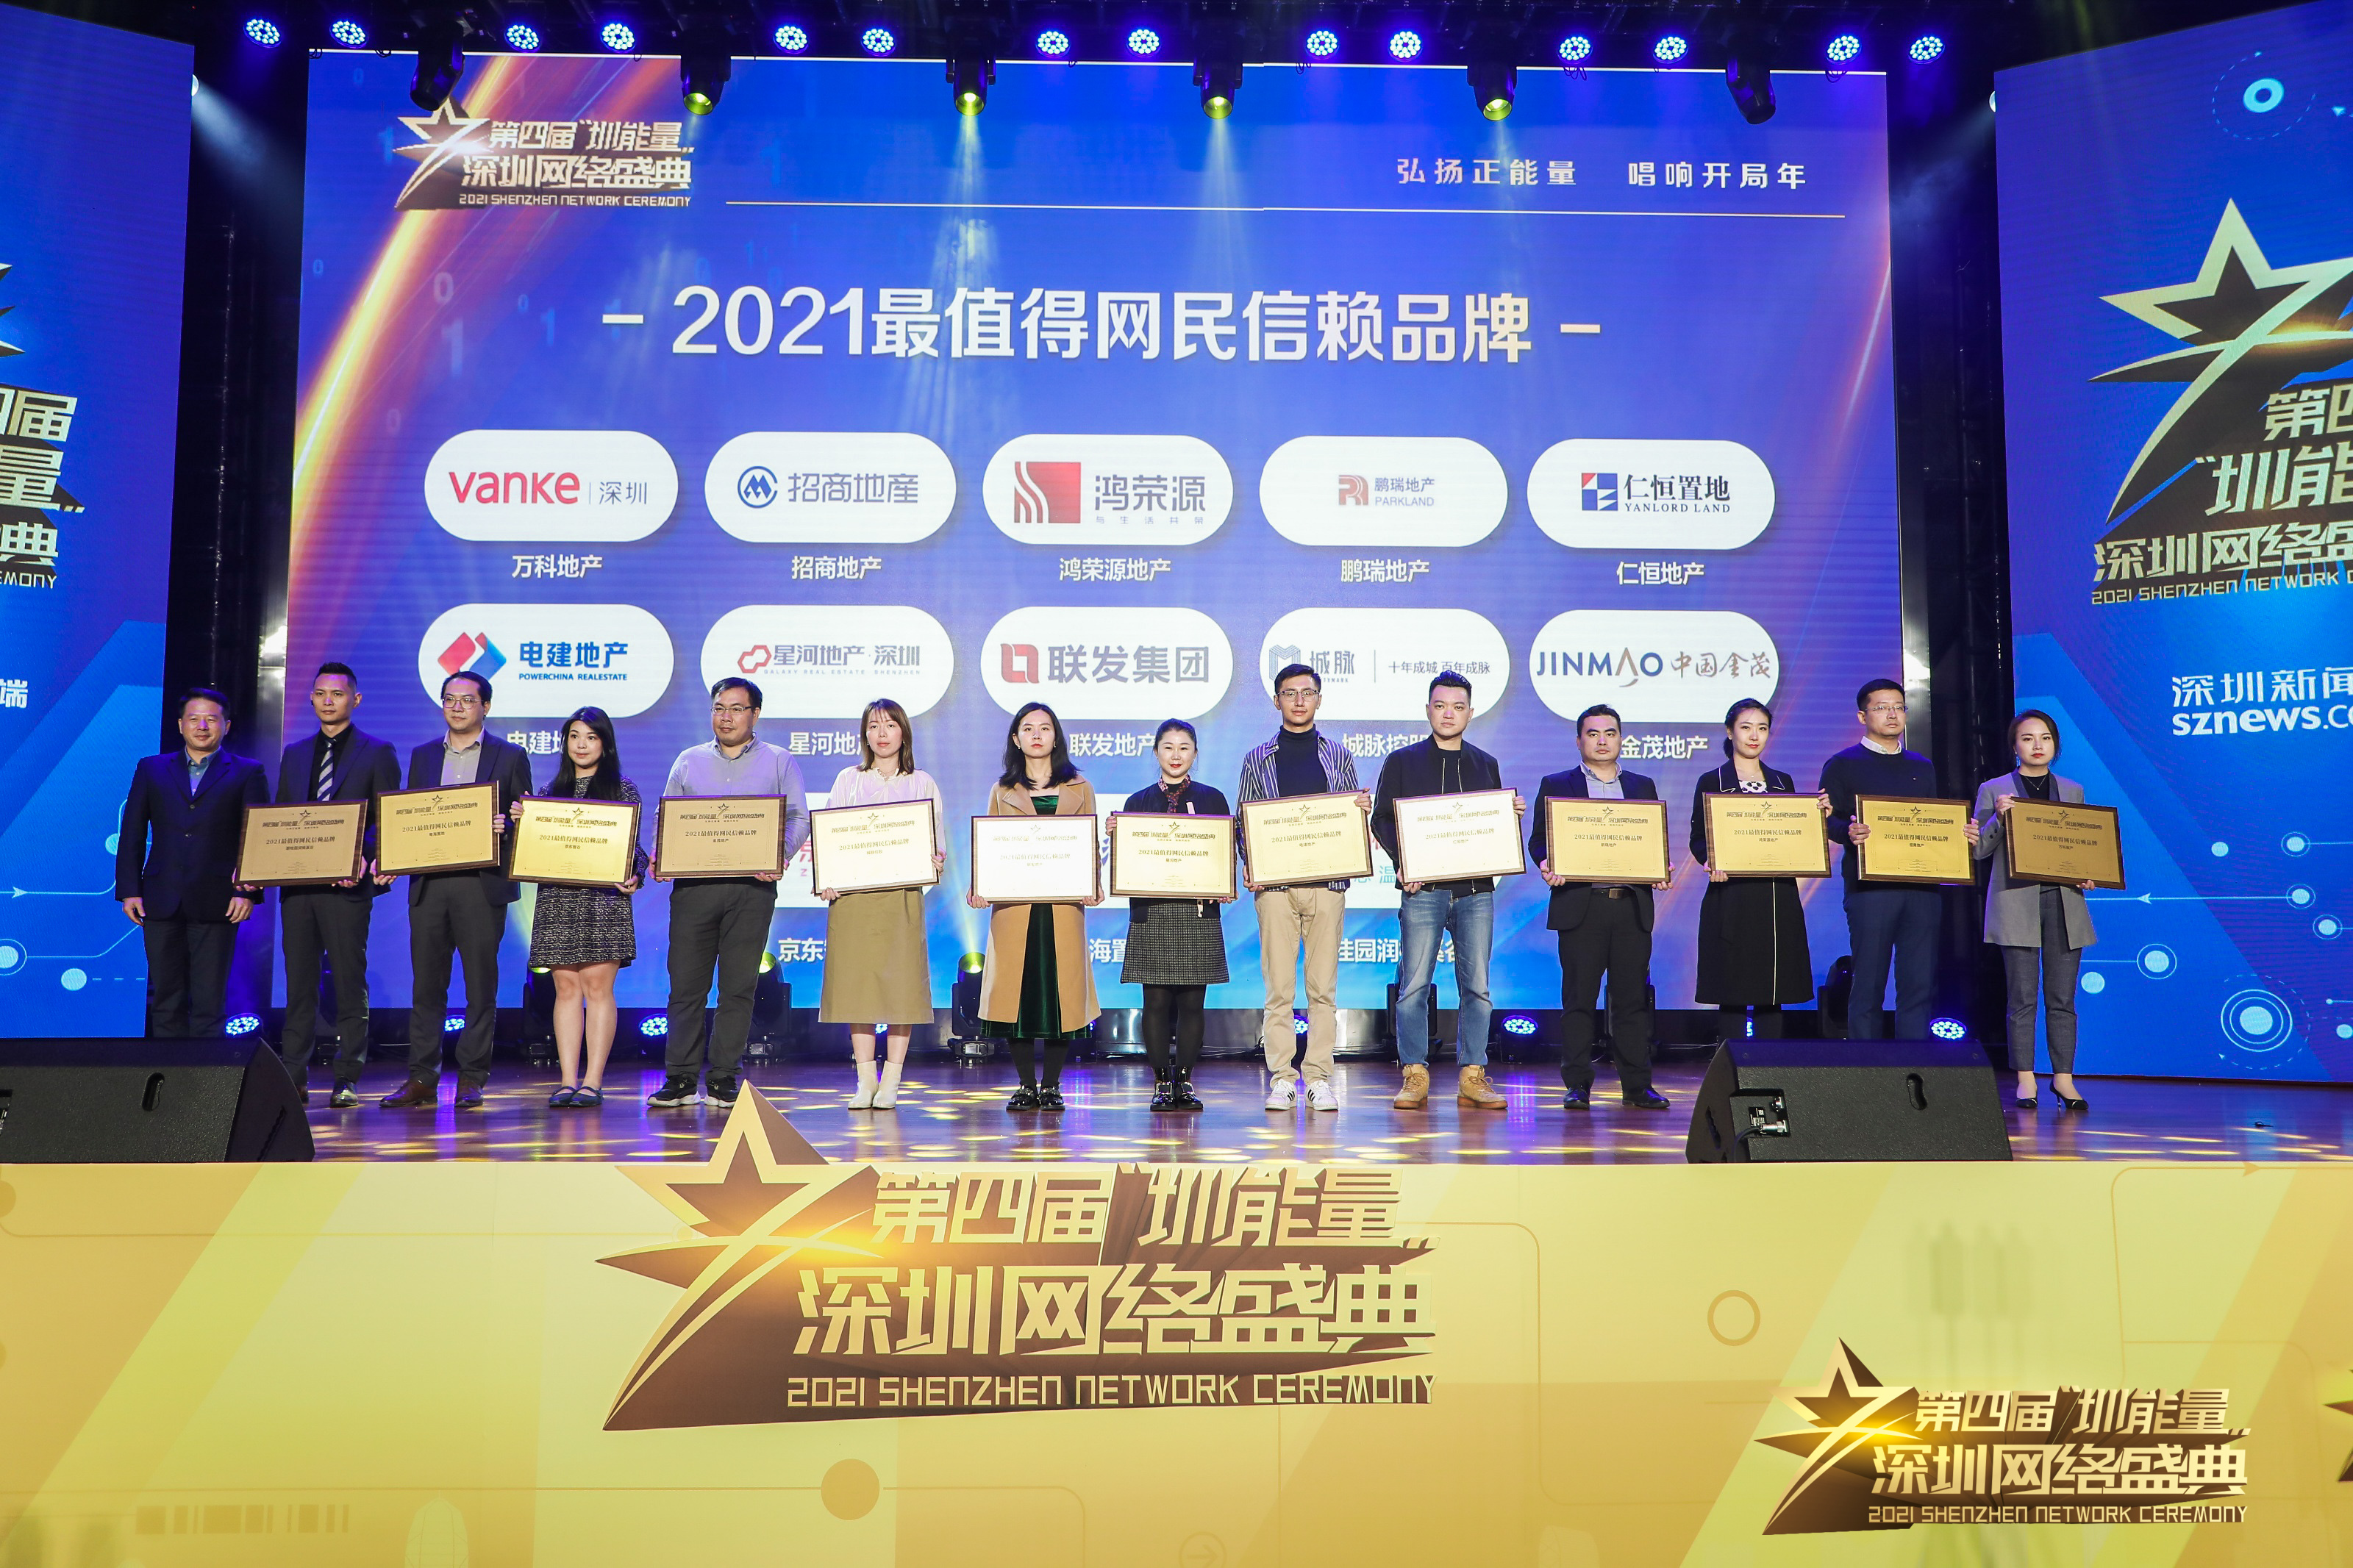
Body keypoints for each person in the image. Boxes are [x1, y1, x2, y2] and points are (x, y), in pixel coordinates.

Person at [650, 676, 809, 1109]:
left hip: (751, 890)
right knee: (686, 988)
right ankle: (680, 1079)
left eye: (737, 709)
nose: (726, 717)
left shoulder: (779, 760)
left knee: (738, 988)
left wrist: (778, 854)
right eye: (719, 708)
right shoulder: (689, 760)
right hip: (694, 890)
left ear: (755, 714)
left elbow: (798, 818)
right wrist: (663, 855)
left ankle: (723, 1077)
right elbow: (668, 818)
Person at [379, 670, 535, 1111]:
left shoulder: (510, 755)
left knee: (480, 987)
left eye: (467, 700)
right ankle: (421, 1077)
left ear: (486, 706)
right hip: (430, 885)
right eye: (450, 699)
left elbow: (526, 819)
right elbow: (410, 817)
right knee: (426, 986)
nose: (457, 707)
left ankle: (471, 1077)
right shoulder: (423, 755)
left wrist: (509, 824)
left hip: (481, 886)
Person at [1370, 671, 1519, 1111]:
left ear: (1471, 713)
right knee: (1414, 985)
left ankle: (1473, 1074)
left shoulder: (1485, 764)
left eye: (1458, 707)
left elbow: (1490, 829)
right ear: (1428, 710)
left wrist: (1507, 816)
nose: (1448, 714)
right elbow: (1382, 819)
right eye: (1440, 706)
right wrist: (1404, 864)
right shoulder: (1402, 761)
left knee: (1478, 988)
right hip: (1423, 890)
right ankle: (1414, 1073)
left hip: (1475, 892)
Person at [1236, 662, 1369, 1114]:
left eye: (1307, 692)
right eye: (1290, 693)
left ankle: (1318, 1078)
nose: (1298, 700)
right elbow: (1245, 822)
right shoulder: (1257, 758)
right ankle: (1281, 1079)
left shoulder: (1339, 756)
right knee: (1278, 990)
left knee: (1322, 990)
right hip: (1275, 888)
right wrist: (1251, 864)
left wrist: (1360, 812)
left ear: (1319, 699)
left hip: (1327, 885)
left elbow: (1349, 822)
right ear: (1276, 700)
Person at [1531, 704, 1674, 1110]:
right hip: (1582, 907)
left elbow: (1651, 840)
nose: (1602, 741)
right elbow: (1539, 840)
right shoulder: (1556, 784)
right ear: (1579, 741)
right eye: (1592, 734)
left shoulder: (1642, 786)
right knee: (1579, 1001)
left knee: (1631, 1001)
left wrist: (1659, 867)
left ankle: (1637, 1086)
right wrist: (1547, 862)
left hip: (1630, 907)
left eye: (1610, 733)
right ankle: (1577, 1084)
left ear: (1621, 739)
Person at [273, 662, 401, 1105]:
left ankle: (347, 1076)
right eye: (321, 693)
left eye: (338, 694)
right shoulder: (294, 753)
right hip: (299, 888)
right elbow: (281, 818)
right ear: (311, 698)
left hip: (348, 887)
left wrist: (363, 856)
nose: (328, 701)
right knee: (299, 985)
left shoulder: (378, 751)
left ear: (355, 699)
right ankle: (294, 1075)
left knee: (349, 983)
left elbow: (386, 817)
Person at [1819, 679, 1977, 1040]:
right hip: (1870, 890)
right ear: (1862, 716)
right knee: (1869, 983)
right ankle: (1866, 1066)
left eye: (1899, 707)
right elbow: (1825, 820)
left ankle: (1915, 1064)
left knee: (1919, 984)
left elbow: (1932, 822)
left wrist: (1960, 834)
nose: (1892, 714)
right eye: (1881, 707)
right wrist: (1848, 831)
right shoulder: (1842, 764)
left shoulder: (1922, 765)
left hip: (1922, 889)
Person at [115, 687, 268, 1040]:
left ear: (226, 726)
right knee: (166, 998)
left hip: (219, 899)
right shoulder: (152, 768)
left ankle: (205, 1074)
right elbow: (133, 831)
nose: (202, 726)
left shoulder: (248, 772)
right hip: (160, 896)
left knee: (209, 1001)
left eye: (211, 719)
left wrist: (247, 892)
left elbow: (257, 836)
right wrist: (129, 890)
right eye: (194, 719)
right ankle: (167, 1071)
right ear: (180, 724)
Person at [969, 702, 1100, 1111]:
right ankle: (1026, 1084)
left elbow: (1089, 846)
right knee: (1017, 996)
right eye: (1028, 729)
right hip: (1015, 908)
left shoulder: (1080, 787)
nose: (1037, 735)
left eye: (1045, 728)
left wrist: (1094, 885)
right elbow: (990, 848)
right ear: (1016, 738)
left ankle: (1053, 1085)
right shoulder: (1002, 790)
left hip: (1062, 906)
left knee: (1062, 996)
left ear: (1056, 737)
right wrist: (980, 887)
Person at [818, 698, 946, 1111]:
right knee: (856, 989)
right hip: (853, 900)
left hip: (901, 897)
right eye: (873, 726)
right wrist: (827, 878)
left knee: (900, 990)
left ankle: (892, 1081)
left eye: (890, 725)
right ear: (865, 735)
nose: (882, 733)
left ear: (903, 732)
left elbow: (937, 843)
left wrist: (933, 861)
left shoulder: (921, 783)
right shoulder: (849, 780)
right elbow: (830, 839)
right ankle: (865, 1081)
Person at [515, 707, 646, 1109]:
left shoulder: (622, 790)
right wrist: (522, 824)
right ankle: (567, 1080)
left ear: (605, 744)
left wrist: (636, 872)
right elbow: (532, 849)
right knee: (566, 989)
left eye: (591, 737)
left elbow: (633, 849)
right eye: (574, 736)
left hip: (602, 902)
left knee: (598, 989)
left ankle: (593, 1081)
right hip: (558, 899)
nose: (581, 745)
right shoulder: (547, 793)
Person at [1973, 710, 2098, 1112]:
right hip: (2016, 902)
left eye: (2045, 738)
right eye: (2027, 738)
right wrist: (1998, 817)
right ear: (2015, 746)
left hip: (2064, 901)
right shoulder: (1994, 789)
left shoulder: (2072, 789)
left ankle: (2064, 1078)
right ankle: (2025, 1077)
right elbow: (1978, 850)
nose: (2037, 745)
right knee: (2022, 997)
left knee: (2063, 998)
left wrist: (2088, 873)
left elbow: (2081, 844)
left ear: (2055, 745)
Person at [1690, 698, 1826, 1041]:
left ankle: (1770, 1064)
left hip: (1776, 894)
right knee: (1732, 987)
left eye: (1762, 728)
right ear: (1730, 732)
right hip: (1731, 893)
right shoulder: (1711, 780)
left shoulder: (1782, 781)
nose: (1754, 736)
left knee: (1774, 987)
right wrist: (1711, 861)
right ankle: (1730, 1063)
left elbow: (1794, 835)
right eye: (1746, 728)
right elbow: (1698, 838)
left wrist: (1816, 820)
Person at [1120, 719, 1232, 1113]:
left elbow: (1225, 851)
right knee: (1154, 1001)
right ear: (1156, 753)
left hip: (1197, 912)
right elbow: (1128, 861)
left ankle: (1184, 1080)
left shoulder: (1213, 799)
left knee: (1192, 1003)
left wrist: (1224, 882)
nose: (1176, 755)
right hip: (1152, 911)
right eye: (1168, 747)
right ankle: (1160, 1081)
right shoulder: (1137, 803)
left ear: (1195, 754)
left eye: (1184, 748)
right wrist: (1119, 836)